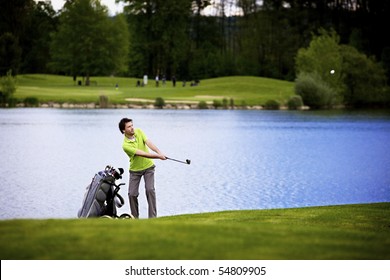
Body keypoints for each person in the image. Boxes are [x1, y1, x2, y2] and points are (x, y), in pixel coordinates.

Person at [118, 118, 167, 218]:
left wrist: (159, 152)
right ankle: (135, 218)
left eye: (132, 125)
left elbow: (149, 143)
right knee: (132, 194)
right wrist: (158, 157)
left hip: (148, 167)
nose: (132, 128)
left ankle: (152, 218)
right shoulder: (125, 145)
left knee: (150, 190)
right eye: (129, 127)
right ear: (124, 130)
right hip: (135, 171)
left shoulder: (139, 132)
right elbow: (143, 154)